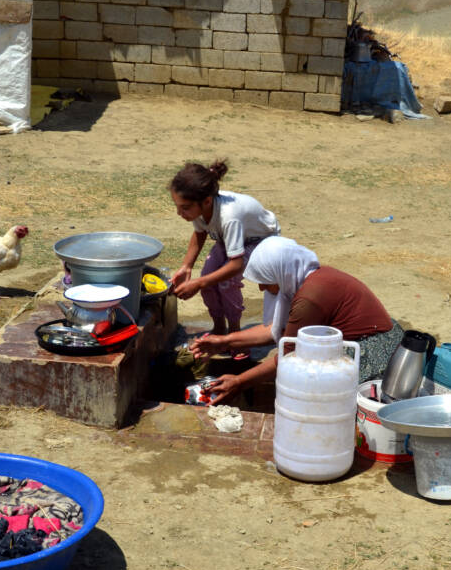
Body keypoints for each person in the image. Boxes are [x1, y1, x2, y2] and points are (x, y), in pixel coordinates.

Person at [190, 236, 404, 404]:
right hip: (376, 340)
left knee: (306, 378)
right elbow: (276, 331)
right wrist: (223, 342)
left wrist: (238, 382)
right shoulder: (308, 278)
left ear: (280, 272)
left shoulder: (310, 298)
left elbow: (290, 357)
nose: (262, 288)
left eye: (265, 281)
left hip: (376, 353)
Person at [169, 160, 280, 356]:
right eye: (178, 206)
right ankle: (219, 328)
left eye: (184, 208)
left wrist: (198, 283)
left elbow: (236, 265)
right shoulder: (200, 207)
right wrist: (187, 267)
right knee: (208, 276)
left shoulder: (230, 217)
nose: (180, 213)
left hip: (260, 241)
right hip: (231, 239)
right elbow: (200, 233)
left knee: (226, 282)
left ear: (207, 201)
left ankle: (235, 335)